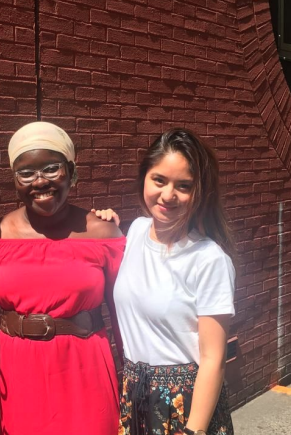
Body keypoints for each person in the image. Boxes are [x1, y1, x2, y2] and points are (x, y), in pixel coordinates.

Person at [0, 121, 125, 435]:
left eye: (51, 169)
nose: (39, 181)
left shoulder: (103, 234)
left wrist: (132, 378)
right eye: (26, 173)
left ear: (72, 172)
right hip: (17, 376)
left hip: (85, 371)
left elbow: (125, 312)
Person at [114, 128, 236, 435]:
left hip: (185, 406)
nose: (168, 195)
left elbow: (213, 359)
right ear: (144, 177)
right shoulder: (135, 231)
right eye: (159, 180)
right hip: (135, 396)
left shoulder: (209, 259)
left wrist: (192, 431)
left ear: (199, 192)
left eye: (183, 186)